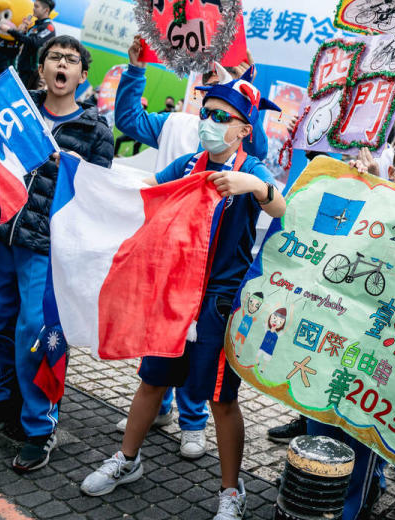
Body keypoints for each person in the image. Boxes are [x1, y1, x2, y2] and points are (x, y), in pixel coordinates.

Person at [80, 76, 285, 520]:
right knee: (152, 380)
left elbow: (281, 207)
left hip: (218, 301)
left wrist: (251, 186)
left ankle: (232, 490)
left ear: (244, 129)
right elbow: (144, 189)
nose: (207, 123)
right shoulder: (190, 165)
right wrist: (85, 176)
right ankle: (126, 459)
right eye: (204, 113)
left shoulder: (253, 171)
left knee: (220, 398)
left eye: (220, 117)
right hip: (174, 295)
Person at [0, 36, 114, 471]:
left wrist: (66, 165)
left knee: (37, 333)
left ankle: (39, 426)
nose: (61, 65)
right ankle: (6, 402)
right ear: (42, 67)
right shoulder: (13, 109)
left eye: (71, 60)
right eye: (54, 57)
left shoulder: (94, 131)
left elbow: (98, 196)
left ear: (81, 75)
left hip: (47, 248)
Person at [116, 35, 267, 171]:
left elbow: (258, 153)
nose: (222, 96)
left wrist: (247, 94)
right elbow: (129, 120)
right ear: (202, 91)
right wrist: (136, 70)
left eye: (231, 90)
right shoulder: (174, 124)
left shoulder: (241, 136)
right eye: (214, 87)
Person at [9, 0, 57, 91]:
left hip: (33, 71)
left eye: (36, 6)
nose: (33, 9)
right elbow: (24, 42)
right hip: (22, 68)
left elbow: (34, 43)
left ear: (46, 10)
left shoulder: (48, 27)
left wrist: (10, 31)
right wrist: (22, 31)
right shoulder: (34, 26)